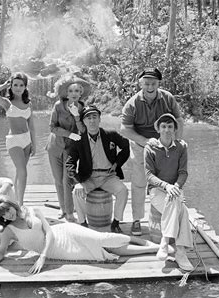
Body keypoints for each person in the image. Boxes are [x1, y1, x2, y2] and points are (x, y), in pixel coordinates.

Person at [0, 196, 162, 275]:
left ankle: (150, 245)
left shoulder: (33, 210)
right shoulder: (9, 231)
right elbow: (1, 252)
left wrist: (42, 257)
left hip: (63, 233)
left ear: (12, 206)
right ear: (2, 219)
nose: (8, 215)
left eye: (7, 209)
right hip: (60, 251)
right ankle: (153, 249)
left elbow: (49, 233)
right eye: (3, 215)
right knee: (103, 253)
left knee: (101, 239)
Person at [120, 67, 185, 236]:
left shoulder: (167, 98)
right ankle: (136, 220)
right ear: (140, 83)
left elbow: (178, 120)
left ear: (158, 83)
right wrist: (145, 142)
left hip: (164, 146)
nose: (150, 86)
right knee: (139, 183)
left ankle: (166, 218)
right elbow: (124, 129)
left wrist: (176, 142)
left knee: (166, 182)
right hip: (140, 145)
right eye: (146, 83)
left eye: (153, 83)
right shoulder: (132, 103)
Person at [65, 105, 129, 233]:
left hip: (108, 176)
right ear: (83, 121)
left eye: (95, 117)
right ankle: (83, 224)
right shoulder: (78, 140)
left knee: (123, 190)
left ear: (100, 119)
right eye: (88, 118)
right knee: (76, 193)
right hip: (89, 177)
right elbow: (70, 163)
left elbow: (126, 147)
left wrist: (117, 164)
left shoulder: (110, 134)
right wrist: (78, 181)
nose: (92, 120)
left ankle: (115, 223)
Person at [144, 113, 194, 271]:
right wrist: (167, 186)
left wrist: (176, 186)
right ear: (158, 129)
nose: (166, 130)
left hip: (176, 190)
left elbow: (183, 172)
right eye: (163, 126)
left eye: (170, 127)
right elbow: (148, 175)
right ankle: (180, 252)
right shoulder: (150, 147)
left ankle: (165, 242)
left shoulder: (181, 147)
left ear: (174, 130)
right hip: (157, 190)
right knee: (179, 207)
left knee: (178, 204)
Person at [45, 75, 91, 222]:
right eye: (71, 90)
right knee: (58, 180)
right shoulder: (58, 106)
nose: (74, 93)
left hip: (70, 149)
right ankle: (63, 209)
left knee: (67, 180)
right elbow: (52, 127)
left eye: (77, 90)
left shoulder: (82, 108)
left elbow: (83, 130)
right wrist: (69, 134)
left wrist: (77, 116)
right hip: (54, 147)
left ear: (81, 93)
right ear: (66, 93)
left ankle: (70, 213)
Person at [0, 72, 36, 204]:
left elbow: (31, 126)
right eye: (15, 85)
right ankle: (20, 205)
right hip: (14, 141)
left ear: (25, 87)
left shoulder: (29, 104)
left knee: (20, 173)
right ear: (11, 86)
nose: (18, 88)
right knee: (23, 172)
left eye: (21, 85)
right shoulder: (7, 103)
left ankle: (15, 201)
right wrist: (4, 85)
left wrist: (34, 144)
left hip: (26, 140)